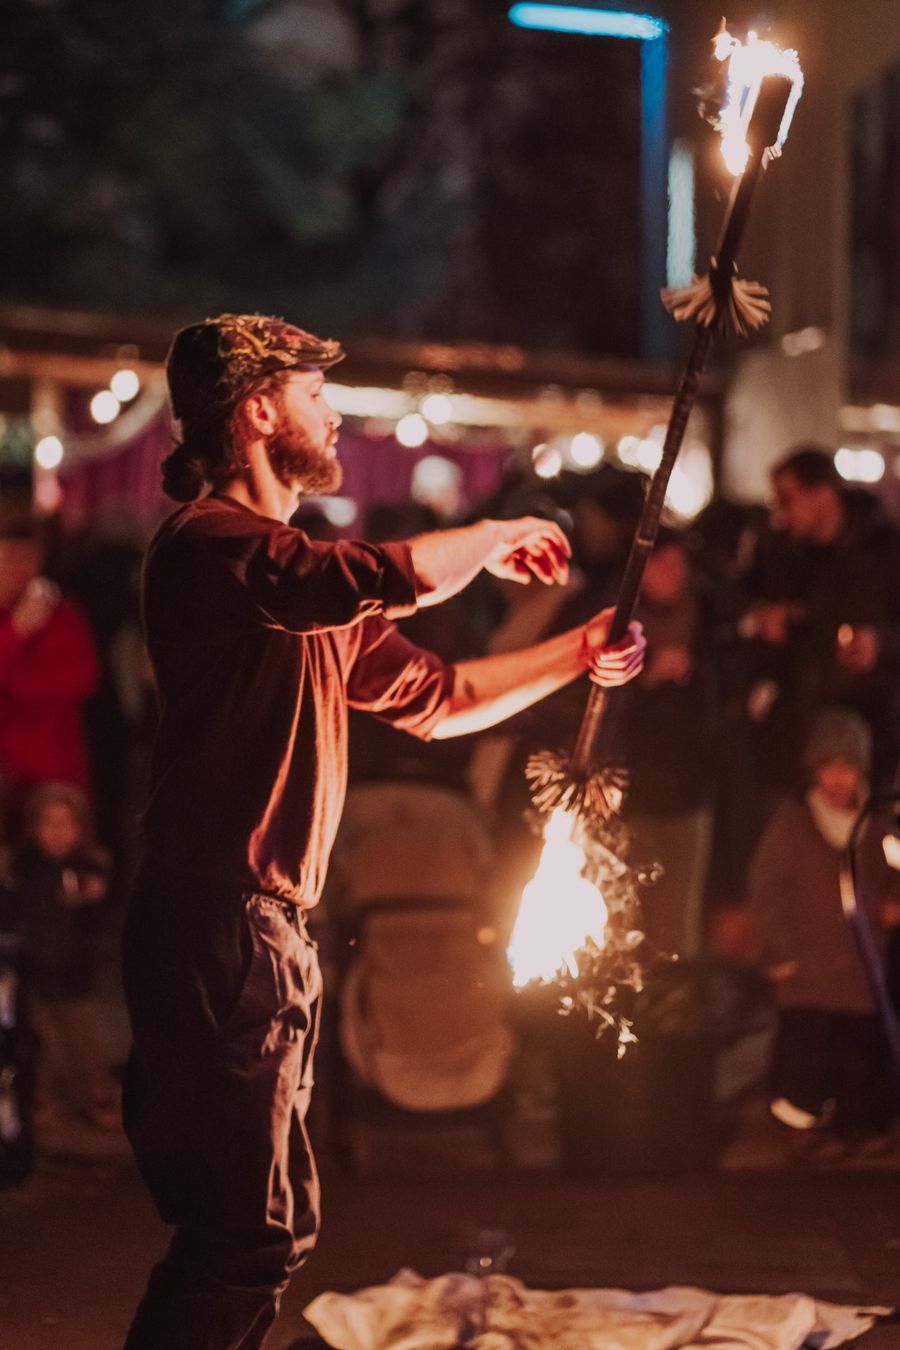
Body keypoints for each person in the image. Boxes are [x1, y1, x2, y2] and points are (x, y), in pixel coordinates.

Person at [122, 312, 647, 1350]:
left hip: (262, 930)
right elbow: (363, 578)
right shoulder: (213, 551)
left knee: (270, 1226)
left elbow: (437, 695)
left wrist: (576, 651)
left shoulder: (295, 584)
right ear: (258, 409)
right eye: (314, 392)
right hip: (217, 923)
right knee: (242, 1232)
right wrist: (494, 538)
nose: (332, 409)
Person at [747, 708, 899, 1160]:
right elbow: (766, 888)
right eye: (829, 768)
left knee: (856, 1054)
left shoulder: (877, 828)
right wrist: (776, 949)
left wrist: (891, 902)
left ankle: (857, 1124)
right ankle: (801, 1127)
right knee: (805, 1055)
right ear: (815, 771)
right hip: (806, 972)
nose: (838, 779)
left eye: (847, 768)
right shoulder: (791, 825)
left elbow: (893, 871)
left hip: (859, 971)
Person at [744, 446, 900, 794]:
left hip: (872, 738)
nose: (781, 513)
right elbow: (740, 603)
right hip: (800, 735)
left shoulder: (887, 549)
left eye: (787, 498)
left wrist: (881, 644)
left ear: (823, 493)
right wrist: (764, 622)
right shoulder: (783, 554)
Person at [9, 782, 116, 1130]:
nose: (56, 832)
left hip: (73, 973)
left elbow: (98, 925)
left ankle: (97, 1097)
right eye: (48, 823)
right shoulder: (23, 869)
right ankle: (41, 1100)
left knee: (83, 1040)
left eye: (65, 824)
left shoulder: (87, 871)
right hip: (34, 971)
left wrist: (95, 898)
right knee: (41, 1042)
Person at [0, 514, 100, 815]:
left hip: (54, 763)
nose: (21, 568)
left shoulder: (63, 616)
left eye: (29, 558)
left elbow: (84, 676)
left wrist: (15, 680)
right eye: (11, 556)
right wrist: (16, 632)